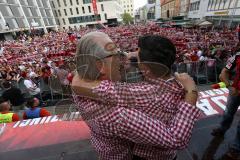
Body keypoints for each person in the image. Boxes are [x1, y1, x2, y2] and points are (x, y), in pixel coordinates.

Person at [72, 32, 201, 160]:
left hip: (105, 148)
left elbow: (80, 81)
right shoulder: (119, 113)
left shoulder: (82, 80)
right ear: (99, 65)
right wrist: (192, 93)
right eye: (117, 55)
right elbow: (176, 139)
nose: (123, 59)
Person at [211, 51, 240, 159]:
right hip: (235, 91)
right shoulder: (238, 55)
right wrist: (229, 85)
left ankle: (236, 147)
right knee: (228, 112)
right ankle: (222, 129)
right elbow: (224, 71)